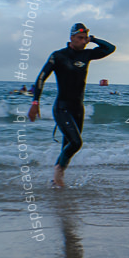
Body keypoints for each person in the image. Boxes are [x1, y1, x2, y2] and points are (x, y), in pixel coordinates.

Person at [28, 24, 116, 187]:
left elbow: (110, 48)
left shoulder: (87, 54)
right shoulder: (58, 56)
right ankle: (58, 172)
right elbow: (41, 78)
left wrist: (93, 39)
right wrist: (35, 102)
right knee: (76, 143)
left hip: (78, 108)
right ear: (71, 38)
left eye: (85, 38)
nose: (83, 42)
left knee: (68, 145)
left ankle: (56, 180)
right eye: (80, 38)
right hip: (62, 107)